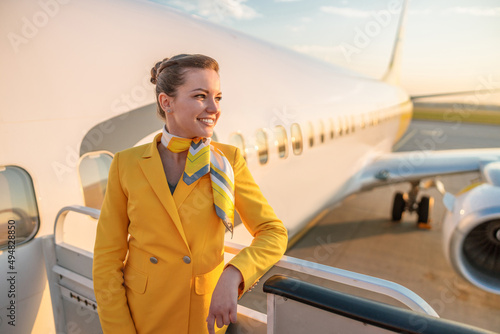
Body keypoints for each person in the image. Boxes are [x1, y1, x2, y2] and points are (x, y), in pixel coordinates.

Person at [92, 54, 288, 334]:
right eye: (200, 96)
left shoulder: (227, 161)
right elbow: (106, 260)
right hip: (143, 316)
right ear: (166, 102)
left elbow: (273, 231)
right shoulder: (126, 164)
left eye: (218, 97)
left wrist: (234, 274)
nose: (214, 108)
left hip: (204, 317)